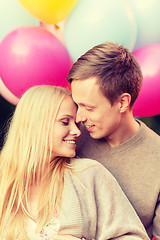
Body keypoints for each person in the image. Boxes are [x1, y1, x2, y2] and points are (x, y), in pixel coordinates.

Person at [0, 85, 149, 240]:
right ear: (35, 125)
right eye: (65, 122)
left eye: (77, 124)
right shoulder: (4, 181)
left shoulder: (88, 175)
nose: (77, 131)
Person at [66, 42, 160, 240]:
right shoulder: (69, 139)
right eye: (77, 105)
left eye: (89, 108)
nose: (80, 117)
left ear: (122, 102)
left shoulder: (157, 159)